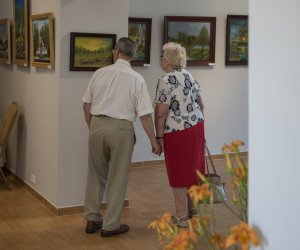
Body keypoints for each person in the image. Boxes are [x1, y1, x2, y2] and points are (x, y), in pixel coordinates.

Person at [82, 37, 161, 237]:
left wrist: (93, 127)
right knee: (117, 177)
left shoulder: (99, 73)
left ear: (116, 52)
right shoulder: (136, 79)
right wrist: (154, 141)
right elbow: (144, 115)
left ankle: (92, 219)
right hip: (121, 129)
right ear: (132, 57)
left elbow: (86, 105)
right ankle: (110, 225)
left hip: (97, 124)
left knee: (95, 174)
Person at [154, 42, 205, 227]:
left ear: (167, 59)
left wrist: (158, 138)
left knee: (178, 171)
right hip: (196, 127)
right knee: (193, 169)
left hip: (177, 131)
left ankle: (182, 216)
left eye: (162, 55)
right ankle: (194, 211)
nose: (161, 59)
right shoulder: (190, 76)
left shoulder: (166, 80)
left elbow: (161, 113)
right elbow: (201, 104)